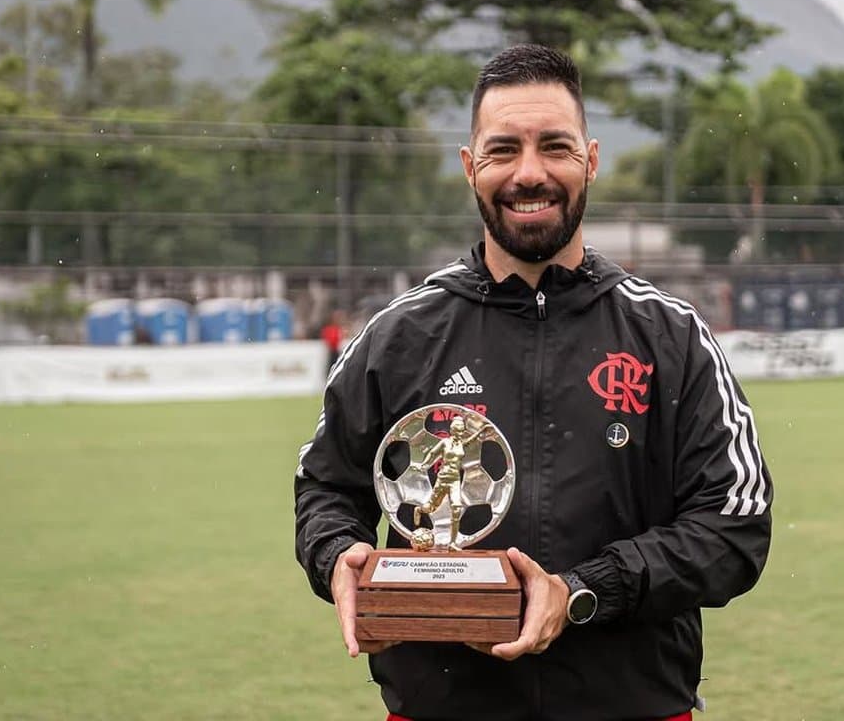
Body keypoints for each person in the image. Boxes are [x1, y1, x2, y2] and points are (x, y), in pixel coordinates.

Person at [294, 44, 773, 721]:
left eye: (554, 146)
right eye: (502, 150)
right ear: (470, 168)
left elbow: (735, 524)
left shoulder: (672, 337)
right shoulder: (397, 337)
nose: (529, 173)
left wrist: (582, 592)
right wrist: (338, 556)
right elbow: (326, 487)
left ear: (591, 160)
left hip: (632, 707)